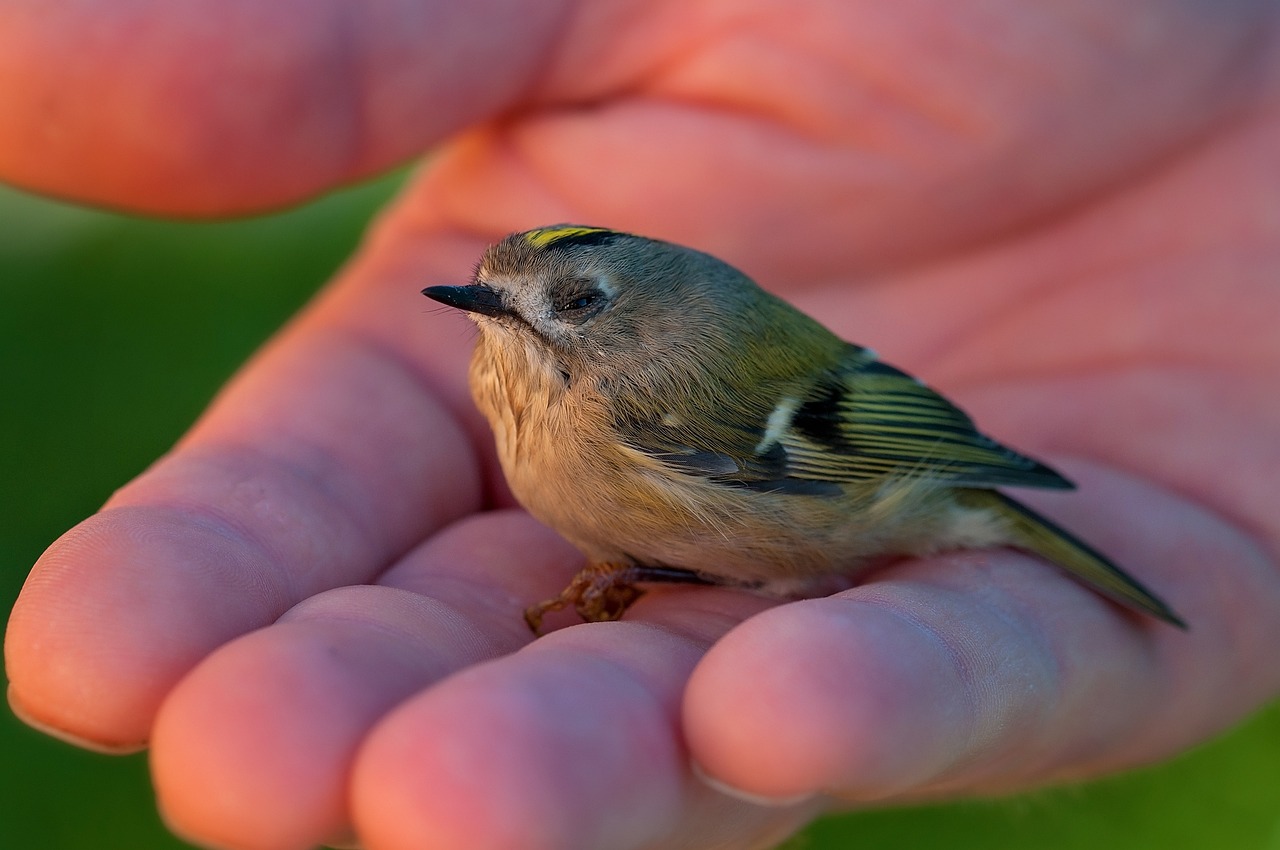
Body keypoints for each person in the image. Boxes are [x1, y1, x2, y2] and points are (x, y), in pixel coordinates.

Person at [4, 2, 1279, 848]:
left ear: (628, 317)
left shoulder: (646, 398)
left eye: (563, 304)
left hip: (876, 475)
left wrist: (969, 478)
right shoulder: (562, 396)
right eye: (494, 297)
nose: (504, 317)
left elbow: (852, 423)